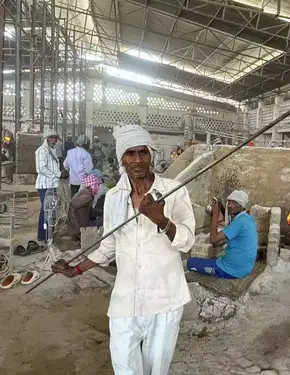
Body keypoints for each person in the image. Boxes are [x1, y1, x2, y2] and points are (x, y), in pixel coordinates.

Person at [52, 124, 196, 375]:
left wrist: (161, 220)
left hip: (165, 298)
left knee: (155, 369)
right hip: (126, 299)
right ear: (122, 159)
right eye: (131, 153)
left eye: (143, 152)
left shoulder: (173, 191)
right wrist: (76, 269)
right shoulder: (114, 198)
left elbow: (187, 241)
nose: (138, 159)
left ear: (151, 155)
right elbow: (109, 245)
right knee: (125, 366)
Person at [186, 190, 258, 279]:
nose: (230, 205)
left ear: (241, 205)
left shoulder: (239, 222)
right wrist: (221, 207)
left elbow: (213, 239)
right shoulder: (247, 218)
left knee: (190, 262)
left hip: (231, 270)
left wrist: (215, 214)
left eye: (234, 202)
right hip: (245, 268)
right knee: (217, 253)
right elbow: (228, 223)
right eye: (229, 202)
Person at [35, 129, 62, 243]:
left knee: (51, 211)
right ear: (47, 139)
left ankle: (48, 234)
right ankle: (43, 235)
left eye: (55, 138)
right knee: (47, 211)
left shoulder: (52, 150)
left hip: (52, 184)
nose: (54, 140)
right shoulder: (42, 151)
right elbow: (41, 168)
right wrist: (57, 174)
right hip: (45, 185)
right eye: (52, 138)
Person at [66, 174, 103, 245]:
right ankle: (81, 236)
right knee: (103, 220)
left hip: (80, 224)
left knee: (102, 216)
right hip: (82, 226)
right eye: (96, 185)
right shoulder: (87, 194)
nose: (97, 187)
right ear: (92, 185)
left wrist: (102, 212)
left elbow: (90, 211)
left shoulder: (85, 192)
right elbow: (72, 207)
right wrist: (76, 230)